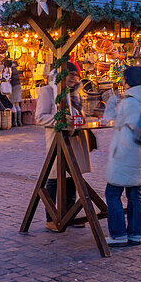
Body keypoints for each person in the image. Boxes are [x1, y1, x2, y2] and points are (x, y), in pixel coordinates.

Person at [103, 66, 141, 247]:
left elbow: (110, 120)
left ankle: (118, 235)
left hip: (124, 154)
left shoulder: (130, 101)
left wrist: (110, 102)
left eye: (123, 79)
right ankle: (135, 234)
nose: (122, 82)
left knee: (112, 193)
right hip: (140, 153)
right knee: (135, 194)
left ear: (129, 80)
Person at [35, 61, 91, 228]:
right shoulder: (47, 91)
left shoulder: (75, 93)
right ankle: (51, 218)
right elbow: (40, 117)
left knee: (73, 176)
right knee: (54, 177)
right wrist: (60, 120)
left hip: (75, 139)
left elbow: (78, 113)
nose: (73, 78)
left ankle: (70, 214)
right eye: (70, 74)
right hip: (57, 140)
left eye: (75, 75)